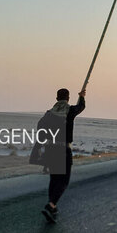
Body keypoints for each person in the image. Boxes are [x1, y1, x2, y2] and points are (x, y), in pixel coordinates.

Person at [34, 88, 85, 223]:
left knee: (54, 179)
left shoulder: (49, 113)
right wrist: (82, 96)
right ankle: (51, 205)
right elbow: (81, 107)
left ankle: (53, 206)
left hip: (51, 149)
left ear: (56, 98)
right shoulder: (70, 110)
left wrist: (40, 146)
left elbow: (40, 127)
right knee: (64, 181)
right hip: (63, 149)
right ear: (68, 98)